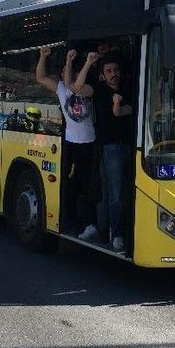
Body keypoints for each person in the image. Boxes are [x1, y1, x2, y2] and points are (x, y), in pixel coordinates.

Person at [35, 47, 98, 239]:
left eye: (70, 71)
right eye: (64, 72)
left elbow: (75, 85)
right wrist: (43, 57)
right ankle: (70, 220)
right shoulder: (62, 89)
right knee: (69, 183)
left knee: (88, 185)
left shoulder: (88, 89)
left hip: (89, 144)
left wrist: (72, 62)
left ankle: (90, 223)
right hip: (70, 144)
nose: (66, 75)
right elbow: (41, 77)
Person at [73, 51, 133, 251]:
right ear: (103, 75)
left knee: (116, 193)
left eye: (115, 70)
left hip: (126, 147)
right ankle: (109, 233)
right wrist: (88, 63)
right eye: (108, 71)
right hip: (106, 148)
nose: (113, 74)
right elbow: (77, 87)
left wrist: (118, 105)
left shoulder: (129, 89)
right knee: (104, 193)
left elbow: (124, 111)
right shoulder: (98, 90)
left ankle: (113, 233)